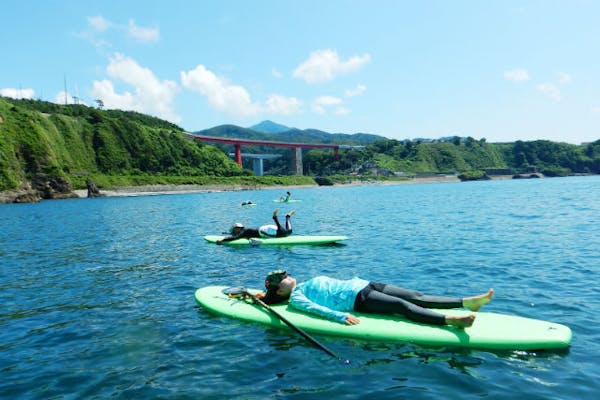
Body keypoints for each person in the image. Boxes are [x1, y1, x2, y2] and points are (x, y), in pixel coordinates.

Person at [256, 270, 494, 328]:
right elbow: (316, 309)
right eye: (282, 278)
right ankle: (450, 320)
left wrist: (259, 295)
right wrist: (340, 316)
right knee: (403, 306)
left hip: (366, 284)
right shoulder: (297, 297)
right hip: (357, 298)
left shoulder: (305, 283)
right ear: (279, 291)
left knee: (415, 295)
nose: (287, 276)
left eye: (286, 274)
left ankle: (467, 301)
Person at [217, 210, 296, 244]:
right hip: (267, 229)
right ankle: (287, 217)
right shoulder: (245, 230)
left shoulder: (245, 232)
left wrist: (223, 239)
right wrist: (226, 233)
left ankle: (275, 218)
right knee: (289, 232)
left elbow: (235, 238)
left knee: (282, 233)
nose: (234, 232)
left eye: (234, 230)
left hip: (265, 230)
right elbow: (235, 235)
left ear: (238, 228)